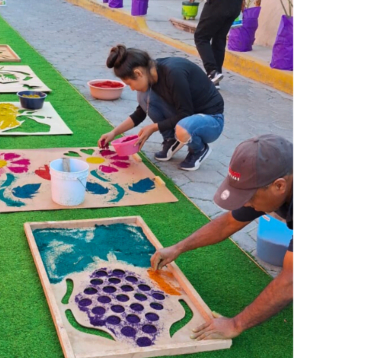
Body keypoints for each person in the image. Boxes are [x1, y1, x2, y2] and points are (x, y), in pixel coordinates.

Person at [150, 134, 306, 339]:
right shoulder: (278, 169)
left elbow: (292, 278)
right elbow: (230, 222)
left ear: (279, 186)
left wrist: (236, 324)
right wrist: (179, 247)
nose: (246, 204)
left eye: (249, 197)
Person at [98, 45, 225, 172]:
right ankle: (171, 139)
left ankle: (199, 149)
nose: (131, 88)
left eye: (130, 84)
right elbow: (141, 112)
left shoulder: (174, 73)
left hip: (210, 120)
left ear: (138, 73)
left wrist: (153, 128)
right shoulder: (152, 74)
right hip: (187, 115)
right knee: (144, 96)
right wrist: (114, 133)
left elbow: (185, 113)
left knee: (184, 127)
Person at [194, 0, 245, 84]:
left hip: (218, 5)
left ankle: (212, 72)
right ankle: (216, 78)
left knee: (201, 37)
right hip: (235, 6)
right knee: (219, 39)